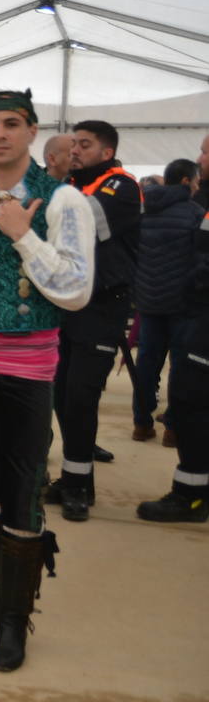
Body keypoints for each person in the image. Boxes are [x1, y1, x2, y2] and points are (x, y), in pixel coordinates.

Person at [0, 89, 94, 672]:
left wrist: (21, 236)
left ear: (31, 132)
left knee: (24, 482)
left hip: (28, 365)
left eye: (11, 124)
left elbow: (76, 292)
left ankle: (14, 616)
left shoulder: (64, 201)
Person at [45, 121, 140, 521]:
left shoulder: (120, 185)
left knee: (81, 396)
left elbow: (74, 225)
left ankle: (78, 488)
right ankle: (73, 477)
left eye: (84, 145)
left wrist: (48, 191)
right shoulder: (73, 186)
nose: (76, 151)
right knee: (63, 396)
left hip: (102, 307)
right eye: (72, 144)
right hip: (67, 306)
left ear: (106, 151)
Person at [137, 186, 209, 523]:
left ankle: (191, 496)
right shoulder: (198, 209)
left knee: (187, 396)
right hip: (189, 308)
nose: (202, 158)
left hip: (189, 310)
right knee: (186, 393)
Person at [131, 159, 200, 445]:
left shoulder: (143, 210)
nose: (197, 186)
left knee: (147, 362)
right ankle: (173, 427)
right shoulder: (195, 213)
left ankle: (141, 424)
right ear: (185, 181)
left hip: (148, 300)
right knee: (180, 366)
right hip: (182, 302)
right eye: (195, 181)